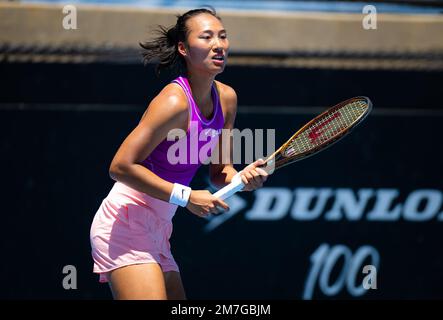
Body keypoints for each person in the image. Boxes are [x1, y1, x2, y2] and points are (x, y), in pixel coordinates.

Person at [90, 7, 268, 300]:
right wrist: (185, 197)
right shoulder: (174, 102)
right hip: (125, 222)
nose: (218, 45)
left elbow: (219, 172)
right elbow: (120, 166)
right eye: (207, 37)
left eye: (223, 37)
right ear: (183, 48)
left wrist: (241, 179)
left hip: (159, 228)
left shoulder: (227, 99)